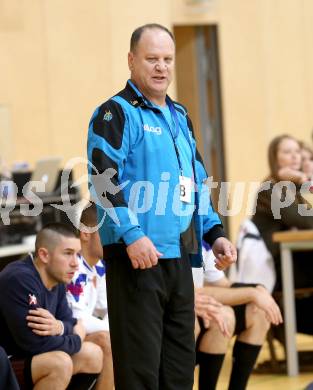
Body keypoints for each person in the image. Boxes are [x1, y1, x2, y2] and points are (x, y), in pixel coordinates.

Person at [87, 23, 237, 389]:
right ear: (131, 60)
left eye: (167, 59)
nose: (161, 67)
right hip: (136, 257)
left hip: (180, 259)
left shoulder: (180, 115)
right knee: (141, 372)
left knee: (179, 369)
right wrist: (132, 234)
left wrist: (214, 233)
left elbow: (197, 181)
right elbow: (102, 179)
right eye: (151, 58)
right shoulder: (114, 113)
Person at [0, 223, 103, 390]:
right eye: (68, 254)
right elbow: (35, 344)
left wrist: (60, 327)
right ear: (44, 255)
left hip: (27, 358)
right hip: (6, 363)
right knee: (58, 363)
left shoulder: (57, 279)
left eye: (77, 255)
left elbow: (69, 321)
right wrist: (76, 338)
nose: (76, 263)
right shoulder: (19, 279)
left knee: (92, 354)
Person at [193, 245, 283, 390]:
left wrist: (257, 288)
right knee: (223, 315)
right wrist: (252, 293)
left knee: (259, 310)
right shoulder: (177, 235)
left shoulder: (202, 240)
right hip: (178, 313)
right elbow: (191, 293)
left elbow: (222, 285)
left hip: (199, 311)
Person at [252, 134, 313, 334]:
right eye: (287, 152)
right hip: (279, 269)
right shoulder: (270, 189)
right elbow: (304, 221)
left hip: (298, 264)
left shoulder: (293, 190)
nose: (295, 157)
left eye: (297, 151)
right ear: (275, 158)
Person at [66, 203, 114, 389]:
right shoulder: (73, 267)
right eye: (107, 233)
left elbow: (105, 306)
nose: (113, 239)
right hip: (65, 333)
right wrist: (112, 329)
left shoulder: (99, 266)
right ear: (86, 233)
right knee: (107, 340)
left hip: (82, 331)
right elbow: (78, 319)